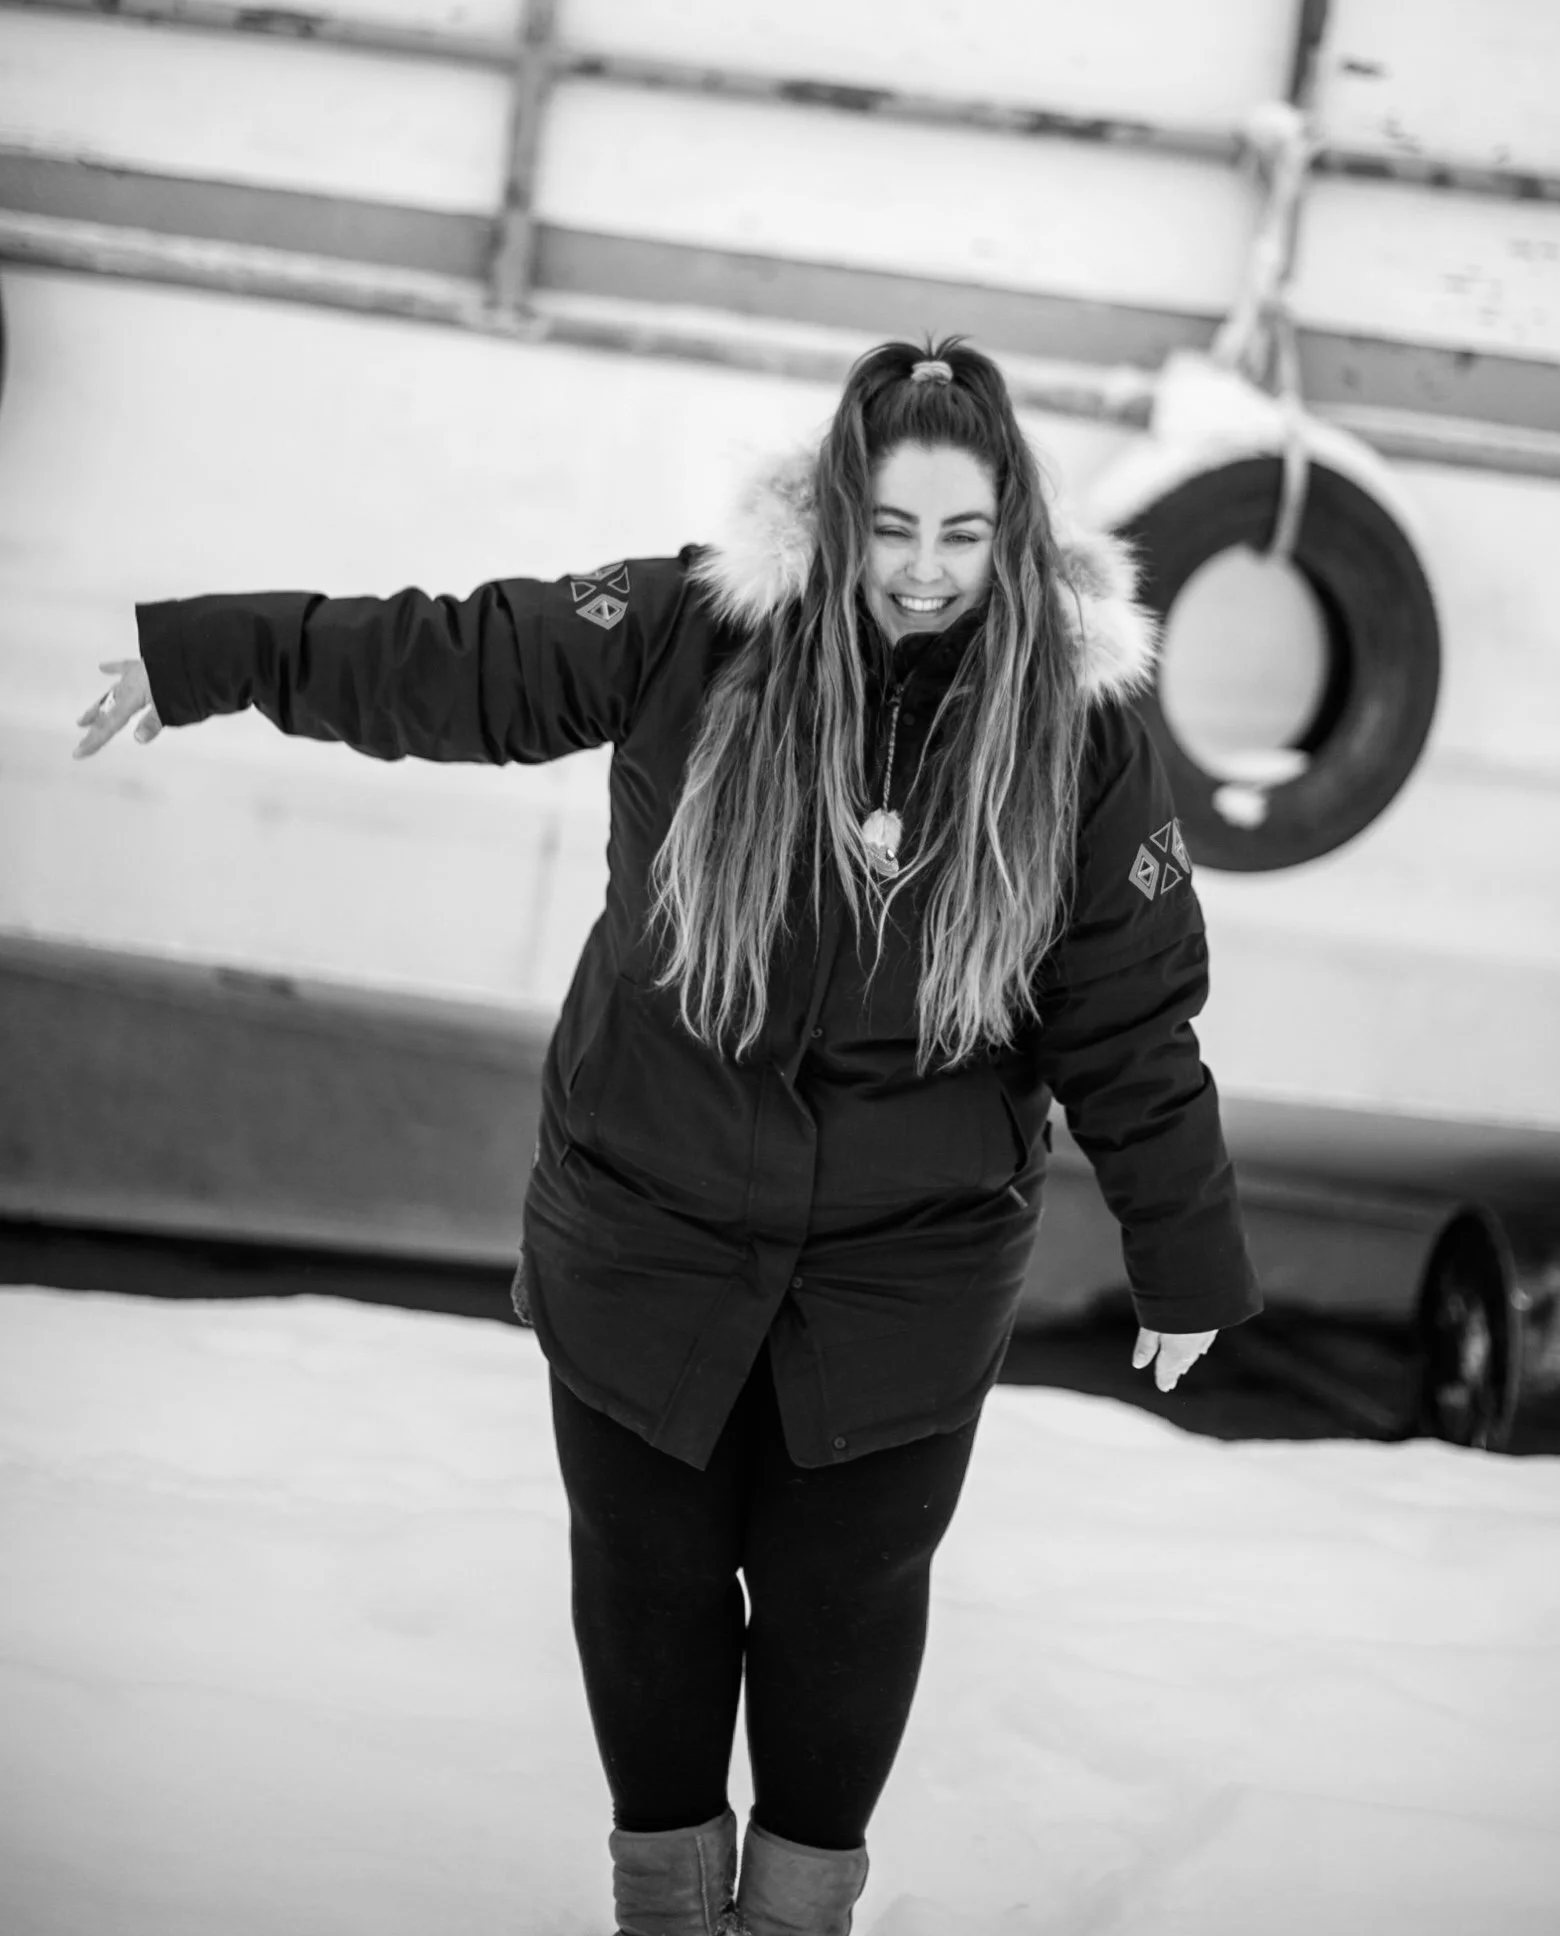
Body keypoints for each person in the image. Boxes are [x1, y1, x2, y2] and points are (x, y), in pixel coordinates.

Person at [76, 335, 1261, 1936]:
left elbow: (1128, 1020)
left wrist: (1183, 1255)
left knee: (844, 1610)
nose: (922, 573)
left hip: (902, 1273)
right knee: (648, 1591)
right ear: (837, 513)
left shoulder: (1079, 730)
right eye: (893, 529)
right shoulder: (689, 630)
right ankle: (664, 1909)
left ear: (1016, 536)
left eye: (964, 537)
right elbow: (452, 664)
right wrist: (205, 655)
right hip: (647, 1216)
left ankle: (790, 1921)